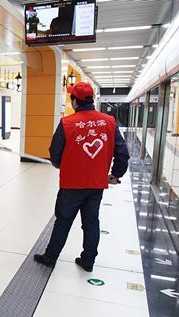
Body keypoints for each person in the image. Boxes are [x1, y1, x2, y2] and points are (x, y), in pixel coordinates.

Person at [34, 82, 130, 272]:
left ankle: (50, 257)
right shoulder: (109, 122)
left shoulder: (67, 123)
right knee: (91, 222)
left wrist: (60, 164)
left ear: (75, 101)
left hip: (71, 184)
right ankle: (88, 261)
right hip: (96, 185)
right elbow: (122, 153)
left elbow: (55, 153)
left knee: (63, 221)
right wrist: (116, 174)